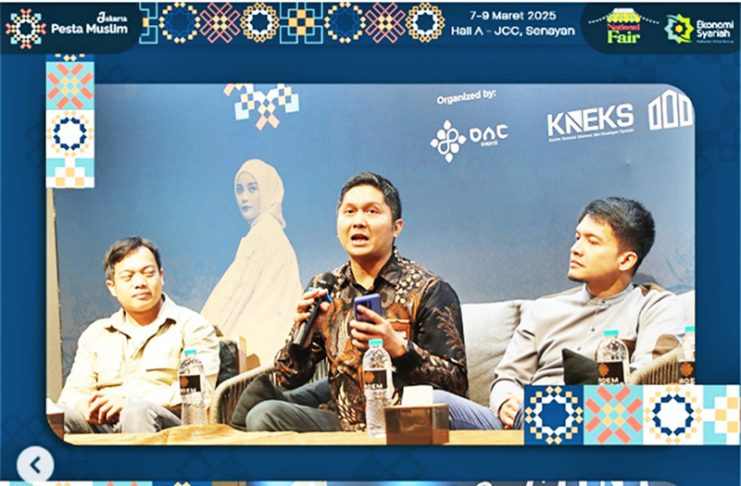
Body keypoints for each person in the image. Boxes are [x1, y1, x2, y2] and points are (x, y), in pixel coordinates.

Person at [232, 172, 467, 432]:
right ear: (338, 226)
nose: (358, 222)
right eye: (349, 212)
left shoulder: (429, 290)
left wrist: (399, 349)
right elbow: (287, 378)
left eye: (371, 212)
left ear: (396, 227)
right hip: (341, 424)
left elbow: (456, 383)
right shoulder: (327, 287)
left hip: (405, 427)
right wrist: (303, 336)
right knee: (263, 413)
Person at [434, 197, 686, 430]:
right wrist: (505, 403)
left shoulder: (654, 305)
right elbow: (508, 377)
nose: (576, 248)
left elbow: (647, 380)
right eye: (577, 238)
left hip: (597, 419)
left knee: (542, 408)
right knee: (434, 403)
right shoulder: (544, 309)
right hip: (522, 417)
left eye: (592, 241)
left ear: (626, 260)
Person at [57, 237, 220, 433]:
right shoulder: (96, 334)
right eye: (128, 277)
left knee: (137, 411)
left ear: (161, 276)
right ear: (111, 286)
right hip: (104, 423)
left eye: (148, 273)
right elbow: (73, 393)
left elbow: (200, 391)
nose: (140, 283)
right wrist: (86, 406)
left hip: (166, 426)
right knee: (59, 416)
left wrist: (128, 400)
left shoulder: (192, 326)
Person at [201, 159, 302, 366]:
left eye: (252, 188)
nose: (244, 197)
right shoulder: (268, 233)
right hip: (270, 343)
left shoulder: (264, 235)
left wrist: (202, 332)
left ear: (268, 190)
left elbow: (235, 293)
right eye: (239, 190)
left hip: (261, 345)